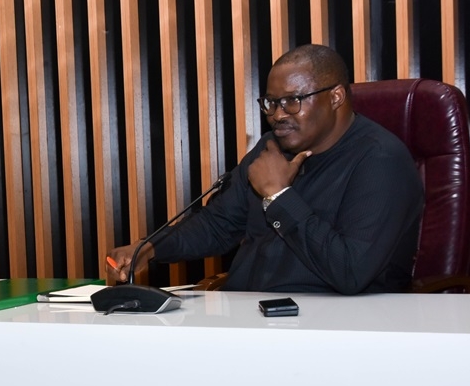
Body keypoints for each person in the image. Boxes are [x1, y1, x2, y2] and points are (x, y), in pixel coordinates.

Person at [107, 44, 424, 294]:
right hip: (253, 316)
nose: (278, 115)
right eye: (271, 103)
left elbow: (351, 272)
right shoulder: (272, 147)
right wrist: (150, 248)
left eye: (293, 101)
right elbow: (218, 225)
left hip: (335, 328)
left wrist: (279, 197)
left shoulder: (381, 161)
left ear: (337, 96)